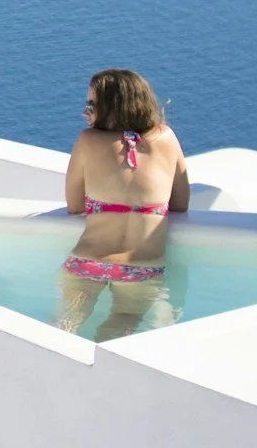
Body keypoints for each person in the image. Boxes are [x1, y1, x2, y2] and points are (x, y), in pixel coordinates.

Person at [57, 68, 189, 342]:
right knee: (119, 330)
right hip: (140, 268)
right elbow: (180, 203)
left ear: (113, 107)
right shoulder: (166, 139)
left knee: (64, 325)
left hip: (86, 261)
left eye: (92, 105)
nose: (84, 113)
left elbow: (74, 205)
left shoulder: (87, 140)